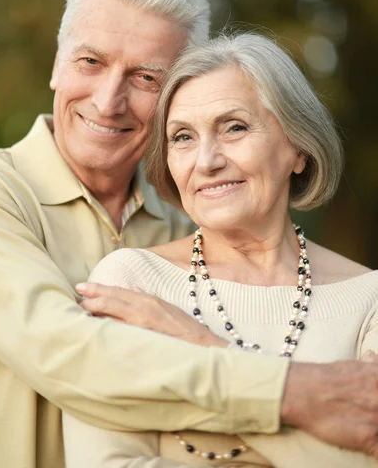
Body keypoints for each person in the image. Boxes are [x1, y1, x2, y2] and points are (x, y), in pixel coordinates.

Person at [0, 0, 378, 468]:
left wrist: (198, 342)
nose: (107, 100)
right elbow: (64, 353)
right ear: (57, 65)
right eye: (90, 62)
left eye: (146, 77)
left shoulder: (192, 226)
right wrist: (298, 391)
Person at [65, 32, 378, 468]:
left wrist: (202, 347)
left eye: (235, 127)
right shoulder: (131, 284)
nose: (206, 160)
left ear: (299, 149)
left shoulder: (369, 300)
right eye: (183, 138)